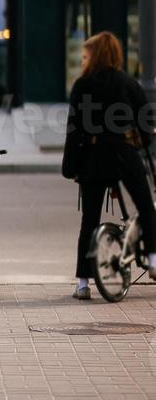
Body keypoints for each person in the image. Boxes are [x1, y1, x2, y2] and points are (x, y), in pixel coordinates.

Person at [62, 30, 156, 299]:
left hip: (94, 157)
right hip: (124, 154)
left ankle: (82, 283)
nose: (82, 60)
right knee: (145, 206)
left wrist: (72, 167)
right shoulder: (128, 84)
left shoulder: (82, 86)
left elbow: (74, 130)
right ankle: (152, 259)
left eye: (85, 56)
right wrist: (143, 141)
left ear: (95, 56)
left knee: (89, 221)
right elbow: (146, 125)